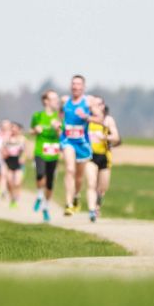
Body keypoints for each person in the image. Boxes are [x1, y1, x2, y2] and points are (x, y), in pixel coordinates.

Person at [60, 75, 92, 216]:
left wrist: (86, 117)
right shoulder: (65, 101)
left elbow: (100, 118)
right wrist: (58, 124)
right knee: (69, 169)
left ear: (83, 87)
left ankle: (76, 195)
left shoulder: (88, 102)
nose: (75, 87)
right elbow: (60, 116)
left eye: (78, 84)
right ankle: (68, 204)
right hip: (67, 140)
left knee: (79, 177)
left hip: (82, 143)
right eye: (73, 84)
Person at [86, 96, 120, 221]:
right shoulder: (87, 119)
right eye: (93, 105)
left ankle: (97, 204)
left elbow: (116, 137)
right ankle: (91, 210)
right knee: (91, 183)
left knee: (102, 188)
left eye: (99, 104)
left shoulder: (108, 120)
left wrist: (105, 137)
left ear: (103, 106)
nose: (96, 107)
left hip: (104, 156)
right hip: (90, 156)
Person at [30, 90, 63, 222]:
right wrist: (35, 130)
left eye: (57, 99)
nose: (57, 101)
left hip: (53, 153)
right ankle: (39, 195)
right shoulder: (37, 116)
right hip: (40, 151)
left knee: (49, 182)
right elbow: (31, 131)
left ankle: (46, 207)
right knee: (40, 174)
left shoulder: (59, 116)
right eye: (54, 99)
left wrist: (57, 128)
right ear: (46, 101)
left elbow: (62, 136)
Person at [3, 122, 27, 208]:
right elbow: (3, 150)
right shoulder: (7, 139)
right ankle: (11, 198)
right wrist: (5, 153)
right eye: (12, 128)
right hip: (9, 161)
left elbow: (25, 151)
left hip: (18, 162)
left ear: (19, 129)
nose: (13, 129)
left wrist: (23, 157)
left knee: (17, 182)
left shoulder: (22, 139)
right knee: (9, 182)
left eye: (15, 128)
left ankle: (16, 198)